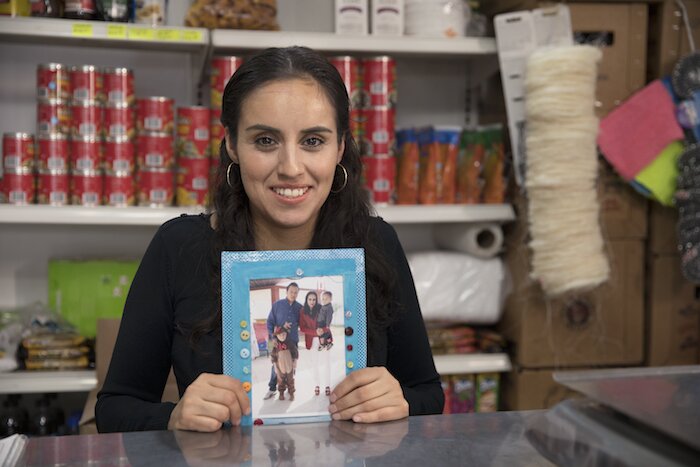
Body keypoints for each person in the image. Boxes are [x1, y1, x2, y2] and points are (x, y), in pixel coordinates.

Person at [95, 46, 443, 433]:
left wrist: (399, 399)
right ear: (231, 144)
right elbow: (115, 408)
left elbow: (428, 394)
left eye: (313, 141)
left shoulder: (377, 244)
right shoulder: (179, 247)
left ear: (340, 147)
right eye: (265, 140)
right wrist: (174, 417)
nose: (291, 168)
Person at [264, 282, 301, 400]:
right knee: (275, 365)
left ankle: (288, 389)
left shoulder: (300, 307)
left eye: (296, 292)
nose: (293, 294)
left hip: (292, 341)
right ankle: (272, 389)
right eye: (291, 292)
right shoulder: (277, 305)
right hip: (276, 340)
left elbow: (304, 323)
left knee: (291, 366)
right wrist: (273, 338)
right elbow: (269, 322)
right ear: (286, 292)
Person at [269, 326, 298, 401]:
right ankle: (281, 393)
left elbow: (295, 353)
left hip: (289, 365)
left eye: (284, 334)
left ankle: (291, 393)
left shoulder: (290, 343)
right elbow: (273, 357)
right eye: (280, 335)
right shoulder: (275, 345)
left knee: (290, 379)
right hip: (280, 366)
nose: (282, 336)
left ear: (286, 334)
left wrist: (295, 361)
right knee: (280, 380)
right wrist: (275, 366)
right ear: (277, 336)